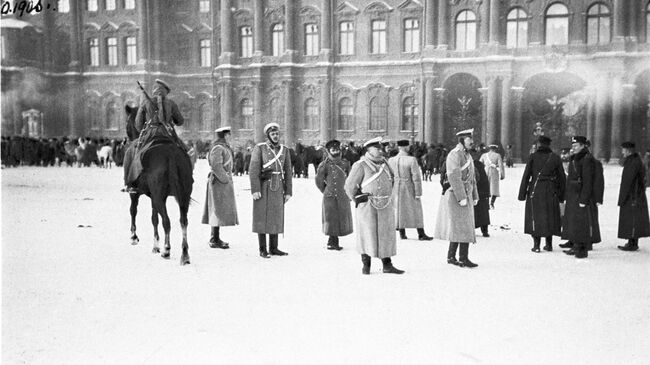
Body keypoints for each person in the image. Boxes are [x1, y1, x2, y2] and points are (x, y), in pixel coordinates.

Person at [344, 137, 404, 275]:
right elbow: (349, 186)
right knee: (367, 234)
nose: (381, 150)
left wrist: (390, 196)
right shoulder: (360, 165)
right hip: (368, 206)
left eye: (381, 148)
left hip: (385, 205)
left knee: (386, 235)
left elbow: (394, 179)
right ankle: (366, 265)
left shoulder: (386, 163)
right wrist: (359, 200)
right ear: (369, 150)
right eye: (377, 148)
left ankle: (387, 265)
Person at [123, 79, 186, 191]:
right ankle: (184, 179)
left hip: (150, 134)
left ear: (154, 91)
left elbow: (138, 125)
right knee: (183, 151)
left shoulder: (146, 103)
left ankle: (131, 183)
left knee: (134, 152)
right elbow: (180, 121)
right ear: (166, 92)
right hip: (168, 134)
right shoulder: (171, 103)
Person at [434, 129, 479, 268]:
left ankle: (458, 257)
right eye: (468, 139)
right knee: (460, 226)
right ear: (461, 141)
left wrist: (474, 195)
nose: (471, 142)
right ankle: (456, 257)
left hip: (466, 193)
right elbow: (454, 176)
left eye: (471, 139)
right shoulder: (454, 155)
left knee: (463, 226)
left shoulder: (467, 155)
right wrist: (461, 197)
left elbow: (472, 178)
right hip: (456, 195)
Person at [249, 123, 292, 258]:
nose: (275, 136)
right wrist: (255, 189)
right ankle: (263, 248)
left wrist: (289, 191)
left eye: (277, 134)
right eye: (273, 134)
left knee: (276, 216)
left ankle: (274, 247)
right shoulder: (260, 148)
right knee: (261, 216)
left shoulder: (284, 150)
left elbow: (288, 171)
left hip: (278, 187)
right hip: (263, 186)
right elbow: (253, 169)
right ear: (268, 135)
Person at [518, 135, 566, 253]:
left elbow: (526, 175)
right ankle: (549, 245)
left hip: (536, 189)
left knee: (536, 216)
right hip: (551, 190)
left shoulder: (533, 157)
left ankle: (536, 245)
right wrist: (561, 195)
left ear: (539, 144)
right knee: (549, 216)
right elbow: (562, 177)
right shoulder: (555, 157)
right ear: (549, 145)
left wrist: (522, 194)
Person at [561, 136, 600, 259]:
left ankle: (581, 248)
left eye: (576, 145)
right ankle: (576, 244)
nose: (573, 148)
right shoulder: (576, 158)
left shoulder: (586, 159)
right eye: (572, 146)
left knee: (581, 222)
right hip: (573, 194)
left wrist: (584, 199)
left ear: (583, 146)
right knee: (574, 221)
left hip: (580, 194)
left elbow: (588, 181)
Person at [202, 126, 239, 249]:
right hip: (218, 182)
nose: (230, 137)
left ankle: (216, 237)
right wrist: (225, 179)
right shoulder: (218, 148)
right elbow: (216, 165)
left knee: (219, 210)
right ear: (225, 136)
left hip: (221, 182)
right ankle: (214, 239)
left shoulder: (222, 147)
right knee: (216, 210)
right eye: (229, 135)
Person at [388, 139, 432, 241]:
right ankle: (421, 233)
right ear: (406, 147)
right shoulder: (411, 160)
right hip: (408, 186)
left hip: (396, 188)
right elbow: (416, 177)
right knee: (416, 210)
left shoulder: (391, 160)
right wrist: (418, 192)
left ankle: (402, 233)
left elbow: (389, 176)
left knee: (399, 210)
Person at [315, 139, 353, 251]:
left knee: (341, 217)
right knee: (331, 218)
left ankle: (334, 241)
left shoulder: (345, 163)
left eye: (337, 149)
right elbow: (319, 181)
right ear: (328, 151)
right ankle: (332, 242)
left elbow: (350, 179)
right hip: (330, 196)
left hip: (342, 195)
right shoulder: (324, 165)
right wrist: (326, 191)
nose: (335, 151)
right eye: (333, 149)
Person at [616, 142, 650, 251]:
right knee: (632, 219)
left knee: (633, 219)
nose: (622, 152)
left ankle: (633, 243)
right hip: (635, 195)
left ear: (628, 150)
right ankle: (631, 241)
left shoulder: (633, 162)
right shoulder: (633, 161)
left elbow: (628, 181)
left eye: (623, 150)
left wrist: (622, 198)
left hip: (633, 195)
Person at [471, 147, 490, 237]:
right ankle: (484, 231)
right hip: (481, 192)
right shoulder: (479, 164)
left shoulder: (470, 165)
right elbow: (485, 179)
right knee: (483, 212)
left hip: (474, 191)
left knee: (472, 211)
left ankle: (471, 229)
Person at [480, 144, 505, 209]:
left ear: (489, 149)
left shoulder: (484, 155)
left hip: (485, 171)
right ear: (495, 149)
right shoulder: (497, 155)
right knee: (494, 188)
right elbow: (501, 166)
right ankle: (492, 203)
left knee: (486, 187)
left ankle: (486, 204)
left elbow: (480, 164)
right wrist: (502, 175)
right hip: (494, 172)